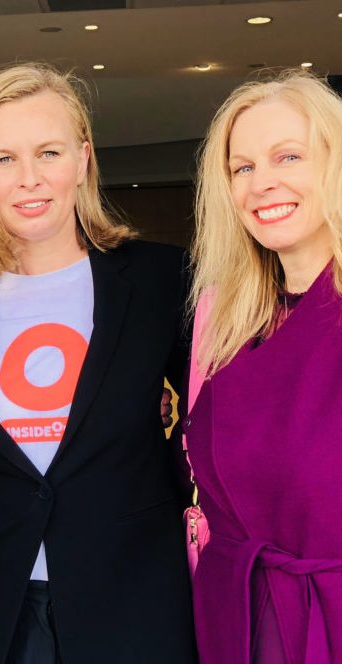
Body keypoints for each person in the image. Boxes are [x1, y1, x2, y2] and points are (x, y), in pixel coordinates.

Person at [0, 62, 196, 664]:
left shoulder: (160, 281)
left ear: (83, 159)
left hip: (132, 600)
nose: (28, 179)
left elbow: (217, 420)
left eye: (48, 152)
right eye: (3, 159)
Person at [186, 71, 342, 663]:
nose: (262, 184)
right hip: (239, 621)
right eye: (242, 167)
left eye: (289, 156)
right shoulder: (221, 317)